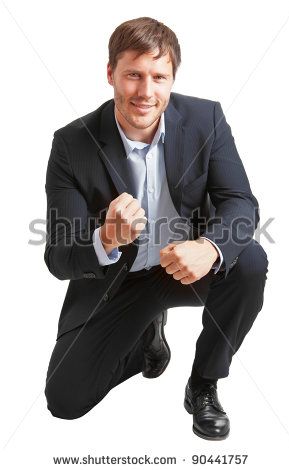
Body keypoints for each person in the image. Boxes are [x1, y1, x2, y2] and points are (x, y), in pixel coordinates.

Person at [44, 17, 268, 440]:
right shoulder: (72, 145)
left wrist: (209, 247)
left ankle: (203, 383)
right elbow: (58, 256)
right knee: (65, 401)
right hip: (118, 282)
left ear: (171, 80)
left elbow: (241, 203)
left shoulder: (206, 119)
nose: (146, 92)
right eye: (133, 75)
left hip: (184, 269)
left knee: (249, 259)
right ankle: (146, 337)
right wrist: (105, 238)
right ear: (110, 74)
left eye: (158, 77)